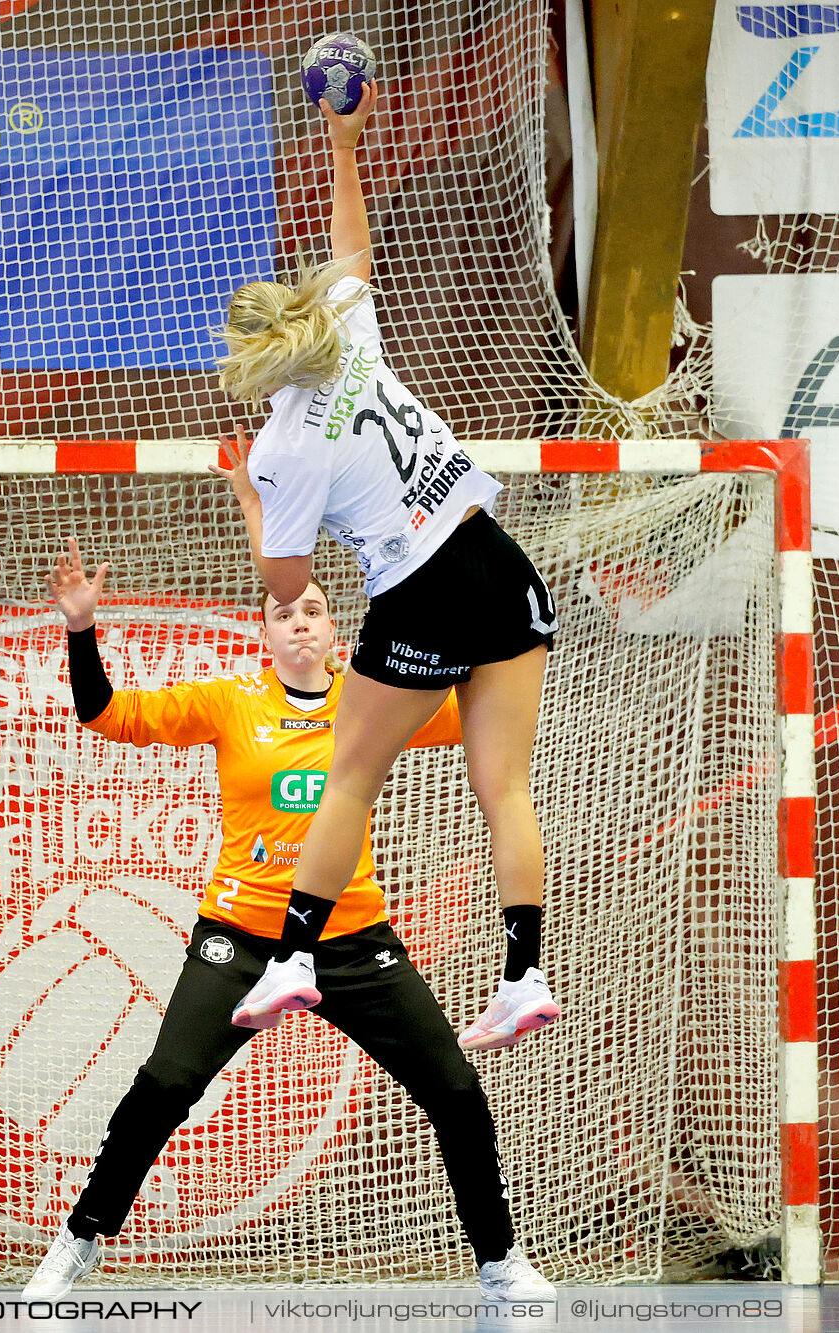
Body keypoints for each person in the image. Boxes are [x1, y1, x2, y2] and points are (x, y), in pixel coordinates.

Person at [22, 537, 554, 1303]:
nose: (299, 620)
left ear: (336, 634)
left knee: (454, 1087)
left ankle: (499, 1260)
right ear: (262, 632)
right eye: (285, 612)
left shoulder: (375, 703)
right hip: (239, 939)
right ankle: (79, 1239)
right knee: (165, 1081)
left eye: (313, 610)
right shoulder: (228, 702)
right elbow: (103, 713)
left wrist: (481, 609)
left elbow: (482, 699)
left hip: (348, 939)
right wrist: (79, 627)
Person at [212, 80, 561, 1053]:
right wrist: (344, 141)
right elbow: (351, 247)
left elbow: (286, 586)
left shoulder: (280, 446)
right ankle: (524, 973)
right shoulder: (348, 336)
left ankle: (289, 959)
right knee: (507, 788)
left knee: (348, 781)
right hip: (500, 559)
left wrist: (252, 500)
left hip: (424, 588)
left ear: (254, 363)